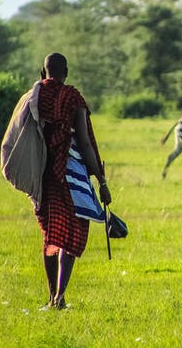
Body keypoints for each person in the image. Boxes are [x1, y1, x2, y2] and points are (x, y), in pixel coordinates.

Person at [36, 52, 111, 309]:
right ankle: (60, 297)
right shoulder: (73, 97)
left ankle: (51, 296)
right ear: (65, 71)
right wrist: (101, 181)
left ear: (42, 71)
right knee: (70, 232)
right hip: (70, 175)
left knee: (50, 233)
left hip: (42, 175)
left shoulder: (34, 98)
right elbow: (85, 142)